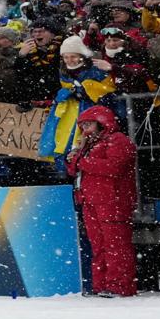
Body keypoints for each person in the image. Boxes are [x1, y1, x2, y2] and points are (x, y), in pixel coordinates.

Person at [65, 105, 137, 298]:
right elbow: (73, 170)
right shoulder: (89, 144)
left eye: (88, 125)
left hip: (113, 201)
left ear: (102, 123)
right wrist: (73, 158)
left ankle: (119, 286)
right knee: (99, 245)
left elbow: (115, 167)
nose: (85, 130)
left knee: (116, 245)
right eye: (82, 126)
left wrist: (81, 161)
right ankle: (102, 285)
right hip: (91, 200)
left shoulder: (118, 140)